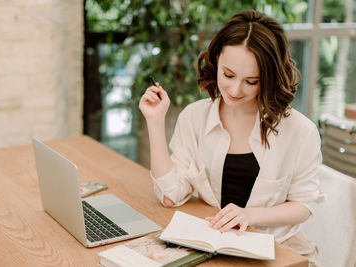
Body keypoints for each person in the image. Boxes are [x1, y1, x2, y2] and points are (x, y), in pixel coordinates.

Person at [138, 10, 325, 267]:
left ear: (269, 78)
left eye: (251, 81)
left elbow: (304, 205)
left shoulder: (300, 131)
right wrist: (155, 122)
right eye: (228, 75)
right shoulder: (194, 117)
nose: (235, 90)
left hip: (282, 248)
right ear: (215, 61)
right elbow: (171, 196)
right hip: (217, 243)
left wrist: (250, 215)